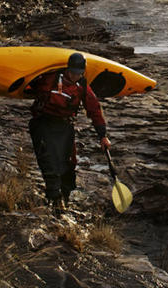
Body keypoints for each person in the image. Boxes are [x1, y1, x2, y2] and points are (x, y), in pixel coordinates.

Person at [26, 52, 111, 215]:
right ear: (67, 69)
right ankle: (55, 200)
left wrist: (103, 135)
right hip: (42, 124)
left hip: (64, 126)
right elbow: (29, 87)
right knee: (49, 162)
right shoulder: (49, 79)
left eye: (79, 73)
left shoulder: (83, 87)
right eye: (72, 73)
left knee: (68, 165)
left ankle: (64, 197)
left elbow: (94, 110)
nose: (74, 76)